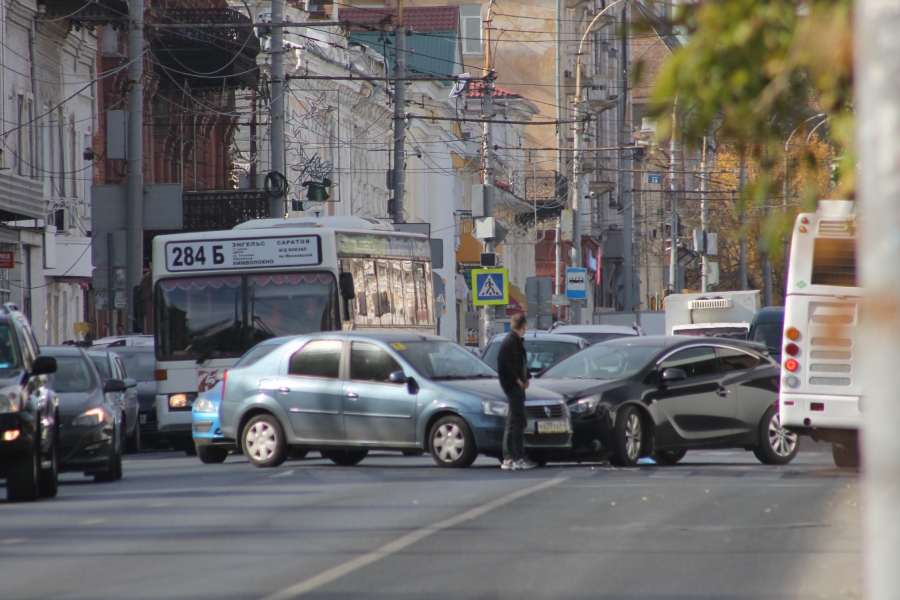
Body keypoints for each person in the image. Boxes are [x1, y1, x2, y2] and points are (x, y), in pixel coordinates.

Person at [497, 313, 535, 470]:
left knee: (513, 421)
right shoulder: (510, 342)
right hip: (513, 387)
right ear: (524, 326)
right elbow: (505, 364)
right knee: (519, 420)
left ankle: (509, 458)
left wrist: (526, 377)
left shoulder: (515, 341)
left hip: (516, 385)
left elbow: (520, 364)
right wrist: (517, 379)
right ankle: (517, 457)